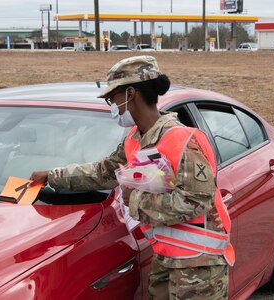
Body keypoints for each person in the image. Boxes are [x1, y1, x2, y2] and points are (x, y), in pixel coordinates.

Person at [30, 55, 235, 299]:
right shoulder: (134, 140)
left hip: (200, 266)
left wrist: (135, 200)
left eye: (111, 98)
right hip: (166, 257)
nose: (111, 106)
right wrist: (52, 176)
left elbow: (197, 201)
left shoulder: (182, 141)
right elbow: (102, 172)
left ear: (130, 94)